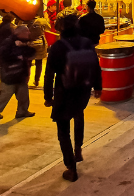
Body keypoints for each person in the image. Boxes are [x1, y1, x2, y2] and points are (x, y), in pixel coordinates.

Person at [44, 13, 102, 182]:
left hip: (64, 92)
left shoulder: (57, 47)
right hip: (83, 90)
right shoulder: (86, 43)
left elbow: (49, 74)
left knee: (63, 130)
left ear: (61, 29)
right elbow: (95, 65)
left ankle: (71, 168)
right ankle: (78, 149)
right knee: (78, 115)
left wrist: (48, 96)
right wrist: (98, 86)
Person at [0, 25, 36, 120]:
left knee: (23, 94)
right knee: (6, 94)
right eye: (26, 31)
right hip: (10, 73)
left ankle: (22, 111)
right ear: (20, 33)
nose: (29, 33)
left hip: (20, 73)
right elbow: (3, 56)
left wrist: (22, 47)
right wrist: (17, 53)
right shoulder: (8, 42)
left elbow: (32, 52)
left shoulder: (24, 42)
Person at [26, 11, 51, 88]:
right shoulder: (41, 20)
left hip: (29, 43)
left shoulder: (25, 20)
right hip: (40, 43)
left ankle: (26, 80)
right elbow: (48, 28)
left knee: (28, 63)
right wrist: (46, 19)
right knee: (39, 62)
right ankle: (36, 80)